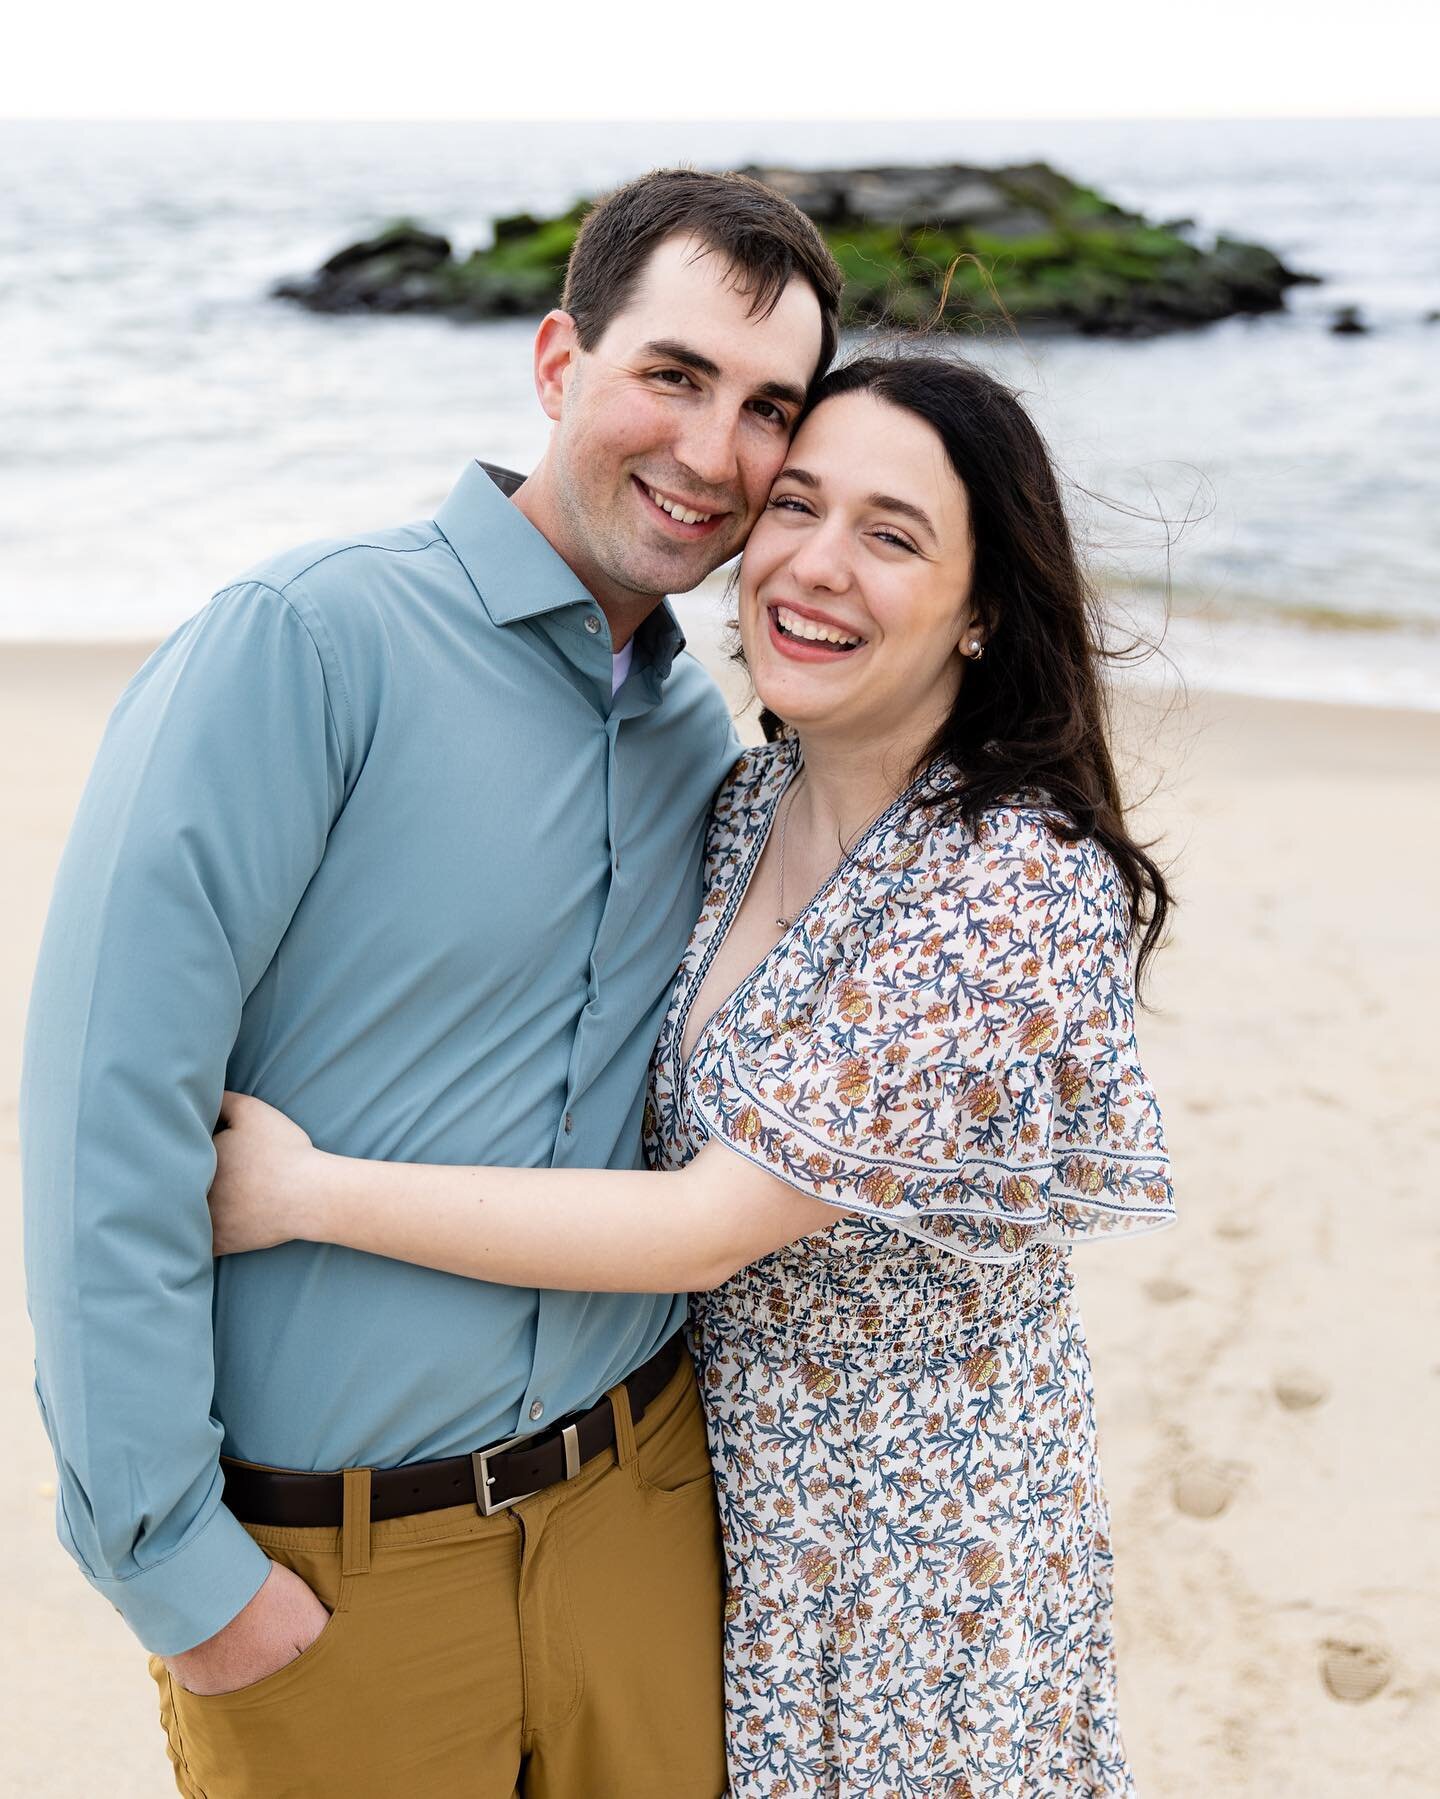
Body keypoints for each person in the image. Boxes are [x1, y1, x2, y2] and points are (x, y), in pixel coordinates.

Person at [210, 352, 1177, 1797]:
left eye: (893, 534)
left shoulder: (1011, 888)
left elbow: (702, 1224)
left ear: (984, 612)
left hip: (922, 1567)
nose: (817, 566)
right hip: (728, 1520)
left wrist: (306, 1192)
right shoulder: (747, 802)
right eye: (797, 506)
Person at [21, 168, 843, 1797]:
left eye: (768, 408)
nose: (710, 451)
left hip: (642, 1523)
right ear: (558, 364)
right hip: (339, 1574)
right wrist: (181, 1579)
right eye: (671, 375)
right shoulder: (304, 645)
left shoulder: (708, 737)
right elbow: (102, 1117)